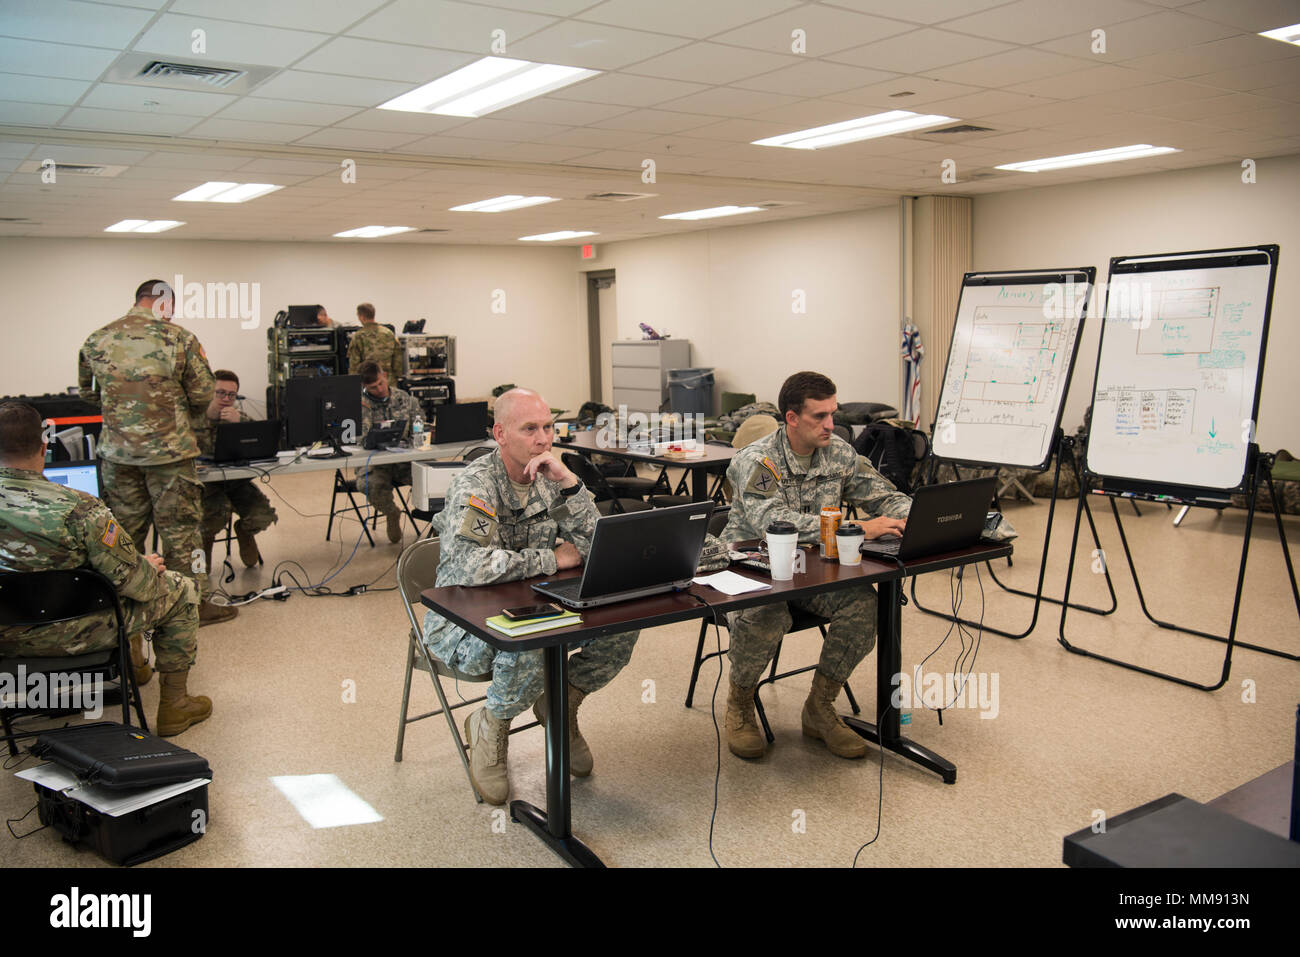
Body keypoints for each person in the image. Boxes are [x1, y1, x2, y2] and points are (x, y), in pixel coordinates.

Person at [422, 388, 638, 805]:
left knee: (622, 626)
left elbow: (597, 547)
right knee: (533, 646)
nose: (543, 439)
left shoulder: (550, 476)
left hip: (533, 606)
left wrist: (571, 485)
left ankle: (560, 707)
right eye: (530, 429)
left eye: (548, 427)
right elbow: (472, 568)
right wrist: (550, 559)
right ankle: (492, 725)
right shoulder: (476, 485)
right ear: (500, 434)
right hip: (463, 622)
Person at [721, 371, 911, 761]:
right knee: (768, 615)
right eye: (819, 417)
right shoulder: (757, 461)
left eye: (833, 414)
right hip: (751, 570)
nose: (831, 425)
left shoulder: (838, 453)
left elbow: (883, 495)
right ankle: (739, 704)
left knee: (863, 607)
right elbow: (773, 523)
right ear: (791, 418)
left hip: (812, 571)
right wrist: (860, 528)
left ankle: (819, 708)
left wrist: (914, 518)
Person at [0, 402, 213, 736]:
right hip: (76, 633)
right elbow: (137, 586)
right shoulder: (82, 508)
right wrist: (146, 567)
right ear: (44, 447)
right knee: (182, 589)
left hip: (4, 637)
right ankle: (175, 704)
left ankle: (137, 668)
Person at [78, 280, 233, 625]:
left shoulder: (97, 339)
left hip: (118, 457)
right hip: (170, 456)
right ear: (165, 303)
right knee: (184, 535)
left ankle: (127, 609)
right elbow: (202, 392)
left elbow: (89, 395)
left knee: (124, 535)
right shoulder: (180, 338)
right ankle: (194, 604)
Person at [195, 369, 278, 586]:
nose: (225, 399)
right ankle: (203, 553)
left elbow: (261, 440)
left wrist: (239, 422)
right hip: (205, 486)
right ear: (208, 392)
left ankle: (244, 531)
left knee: (263, 516)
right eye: (220, 393)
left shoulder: (237, 416)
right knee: (212, 518)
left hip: (236, 483)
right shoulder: (191, 419)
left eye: (231, 395)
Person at [356, 361, 421, 544]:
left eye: (380, 383)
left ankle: (436, 520)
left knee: (431, 475)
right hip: (376, 463)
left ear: (384, 375)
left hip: (405, 460)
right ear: (364, 387)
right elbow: (355, 438)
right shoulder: (359, 405)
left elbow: (420, 424)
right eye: (373, 387)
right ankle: (392, 513)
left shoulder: (404, 398)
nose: (379, 389)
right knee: (369, 484)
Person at [346, 302, 401, 383]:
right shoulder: (388, 333)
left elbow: (354, 364)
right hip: (388, 381)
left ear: (362, 316)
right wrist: (397, 377)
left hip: (369, 383)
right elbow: (397, 359)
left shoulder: (359, 336)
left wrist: (354, 383)